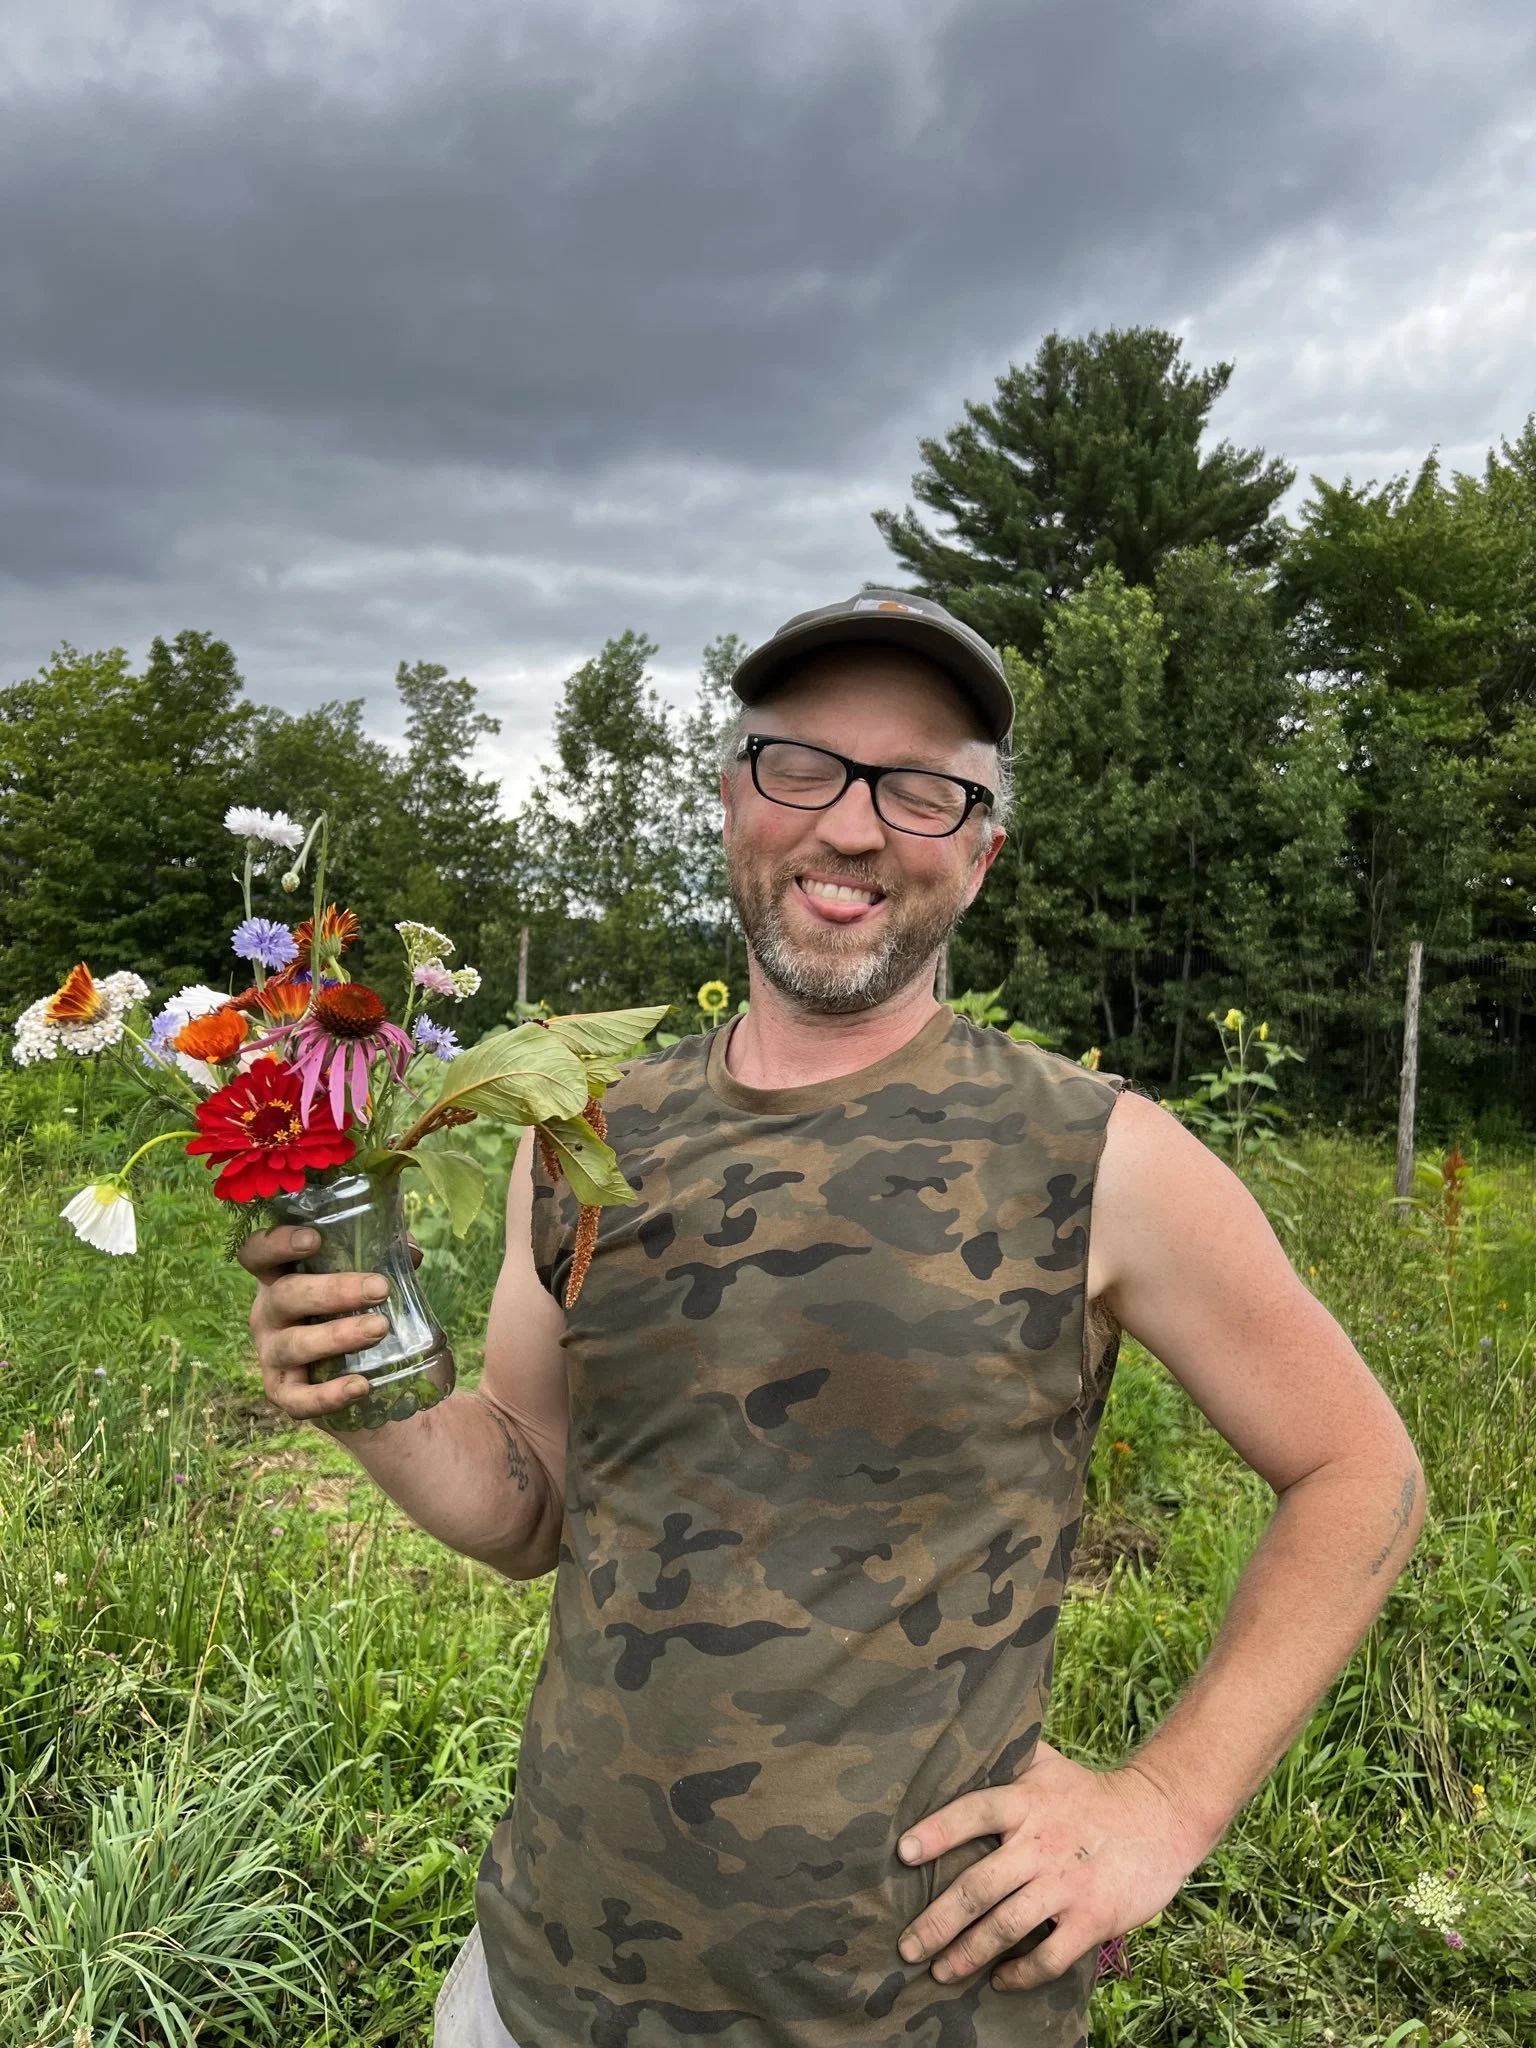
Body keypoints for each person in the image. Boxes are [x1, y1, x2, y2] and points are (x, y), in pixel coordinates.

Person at [241, 589, 1424, 2048]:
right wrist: (371, 1393)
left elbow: (1362, 1473)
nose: (853, 829)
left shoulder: (1097, 1152)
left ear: (982, 852)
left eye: (923, 789)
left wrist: (1163, 1806)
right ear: (734, 797)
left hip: (909, 2013)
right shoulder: (583, 1136)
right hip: (547, 1979)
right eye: (803, 766)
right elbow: (527, 1507)